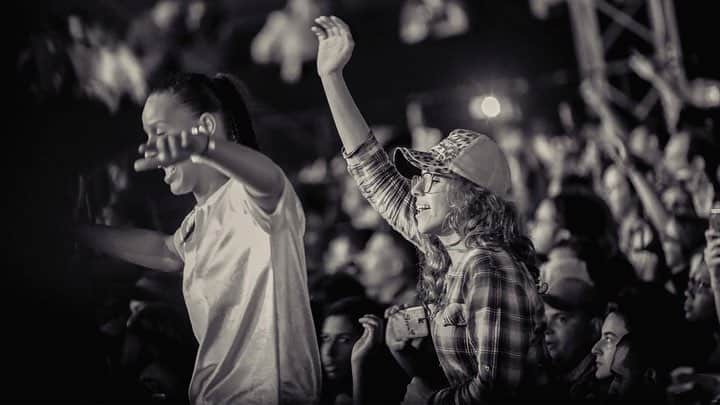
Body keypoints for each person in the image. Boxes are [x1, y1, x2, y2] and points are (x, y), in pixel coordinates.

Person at [312, 16, 547, 404]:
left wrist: (429, 401)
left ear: (470, 197)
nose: (417, 186)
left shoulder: (486, 267)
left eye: (434, 179)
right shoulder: (449, 255)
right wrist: (331, 78)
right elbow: (372, 170)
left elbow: (498, 393)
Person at [76, 72, 321, 404]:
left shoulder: (248, 197)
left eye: (160, 133)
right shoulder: (198, 221)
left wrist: (204, 148)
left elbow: (269, 179)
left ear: (205, 126)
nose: (152, 146)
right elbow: (165, 251)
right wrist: (78, 231)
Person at [540, 256, 606, 403]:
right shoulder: (547, 376)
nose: (547, 329)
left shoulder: (600, 388)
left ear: (595, 328)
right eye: (546, 319)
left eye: (561, 319)